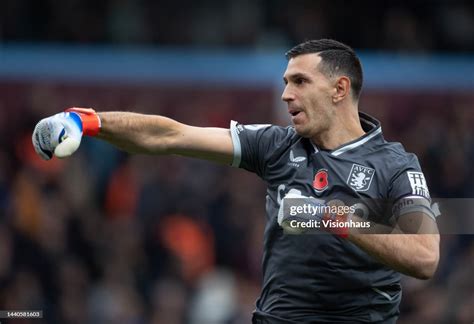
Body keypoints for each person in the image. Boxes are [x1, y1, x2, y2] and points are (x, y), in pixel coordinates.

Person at [32, 39, 440, 323]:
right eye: (285, 83)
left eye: (299, 82)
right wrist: (89, 121)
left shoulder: (397, 167)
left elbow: (424, 256)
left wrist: (337, 220)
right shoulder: (277, 145)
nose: (285, 95)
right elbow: (171, 135)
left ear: (339, 89)